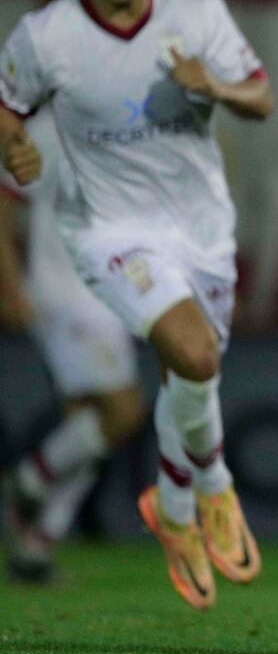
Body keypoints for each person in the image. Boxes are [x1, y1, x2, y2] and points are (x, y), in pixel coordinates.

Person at [0, 0, 273, 610]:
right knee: (173, 369)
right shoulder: (48, 42)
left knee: (190, 378)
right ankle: (207, 486)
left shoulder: (195, 11)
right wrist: (13, 147)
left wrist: (209, 83)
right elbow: (4, 116)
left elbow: (261, 96)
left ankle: (171, 509)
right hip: (102, 245)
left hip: (201, 232)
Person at [0, 110, 147, 584]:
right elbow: (5, 198)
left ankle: (34, 545)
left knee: (87, 423)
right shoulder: (51, 129)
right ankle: (31, 480)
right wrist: (9, 285)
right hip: (64, 295)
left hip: (107, 298)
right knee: (123, 412)